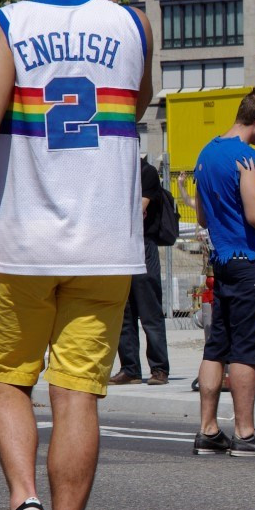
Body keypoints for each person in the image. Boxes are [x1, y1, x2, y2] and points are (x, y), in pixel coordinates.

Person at [0, 0, 153, 510]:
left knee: (5, 379)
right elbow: (137, 103)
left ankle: (23, 496)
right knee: (77, 392)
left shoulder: (7, 24)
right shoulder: (133, 22)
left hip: (21, 236)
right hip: (106, 239)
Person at [192, 87, 255, 457]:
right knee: (245, 352)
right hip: (251, 263)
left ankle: (207, 430)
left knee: (215, 348)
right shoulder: (247, 158)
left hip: (222, 262)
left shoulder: (207, 153)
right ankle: (246, 434)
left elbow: (203, 217)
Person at [110, 155, 171, 387]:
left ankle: (159, 369)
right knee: (123, 313)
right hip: (119, 246)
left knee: (149, 313)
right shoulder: (115, 173)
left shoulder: (146, 172)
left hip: (142, 244)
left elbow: (136, 212)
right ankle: (130, 369)